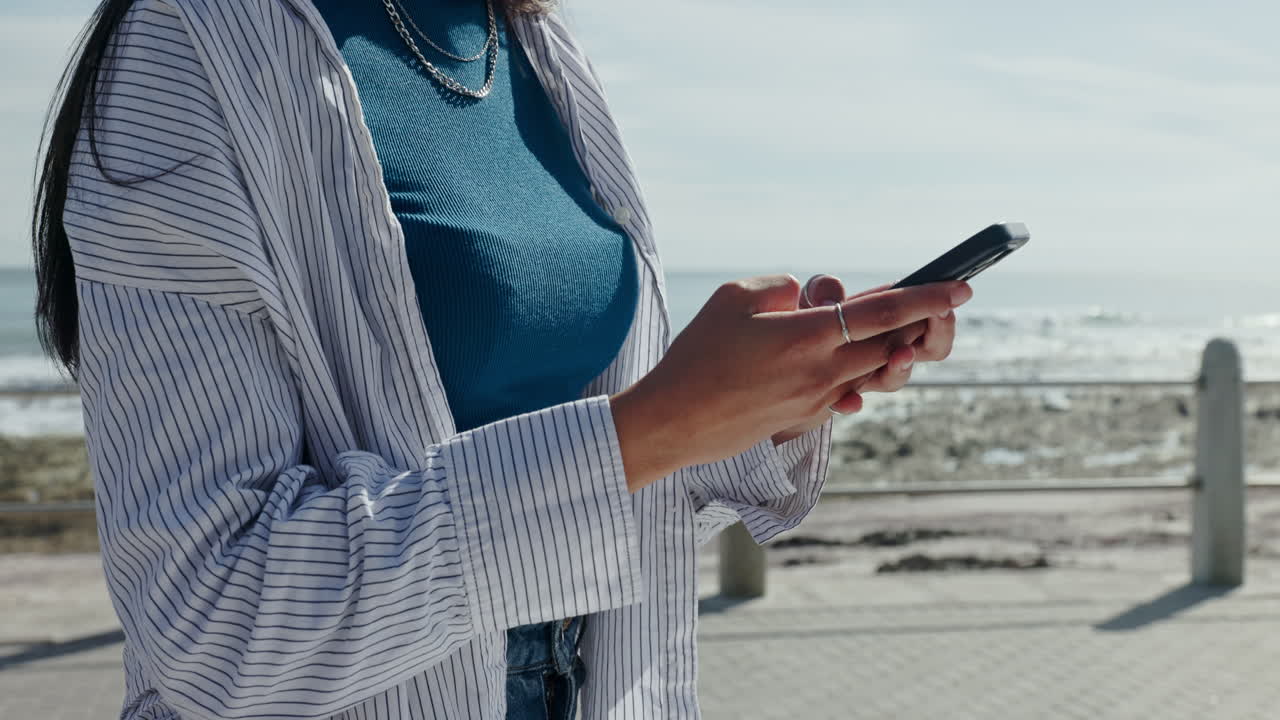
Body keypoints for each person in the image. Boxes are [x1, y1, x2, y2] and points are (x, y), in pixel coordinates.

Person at [29, 0, 970, 718]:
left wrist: (766, 401)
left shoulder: (537, 49)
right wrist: (654, 426)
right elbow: (211, 619)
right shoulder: (193, 45)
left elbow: (619, 487)